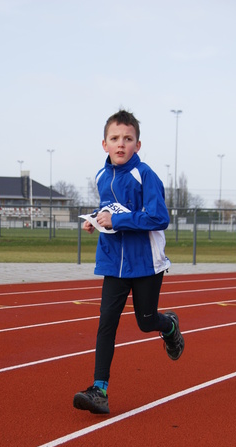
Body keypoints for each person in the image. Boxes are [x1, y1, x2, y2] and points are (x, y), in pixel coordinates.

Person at [73, 109, 184, 415]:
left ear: (137, 144)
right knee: (106, 322)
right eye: (115, 138)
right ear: (104, 144)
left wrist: (117, 220)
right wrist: (96, 220)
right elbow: (106, 209)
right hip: (113, 262)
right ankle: (100, 390)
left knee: (145, 321)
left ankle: (169, 325)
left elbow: (159, 217)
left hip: (145, 263)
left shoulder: (145, 175)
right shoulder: (101, 175)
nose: (121, 144)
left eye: (128, 138)